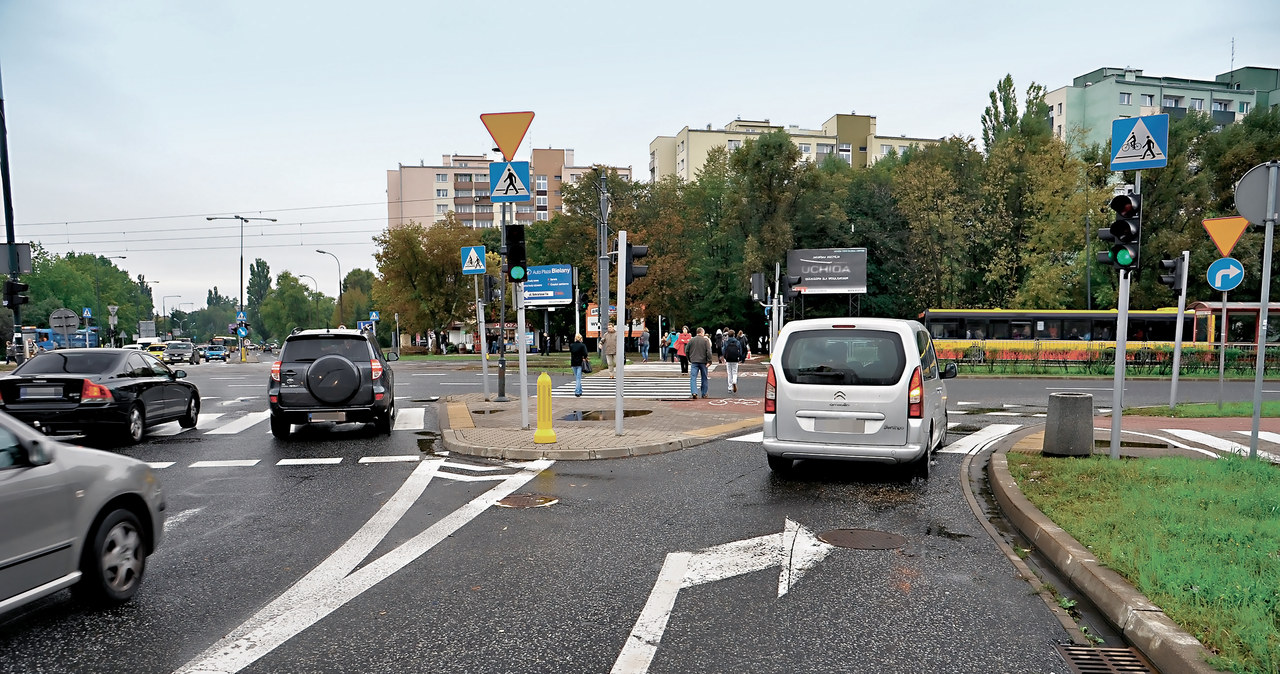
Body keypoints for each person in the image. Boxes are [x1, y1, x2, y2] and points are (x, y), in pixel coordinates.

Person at [686, 327, 713, 399]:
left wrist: (689, 359)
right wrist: (709, 361)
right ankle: (704, 393)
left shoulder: (691, 340)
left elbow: (687, 350)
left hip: (694, 361)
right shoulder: (705, 340)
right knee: (704, 377)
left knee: (693, 377)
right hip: (703, 362)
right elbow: (709, 351)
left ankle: (694, 392)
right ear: (701, 332)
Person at [722, 328, 745, 394]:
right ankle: (734, 381)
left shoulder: (726, 342)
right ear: (734, 335)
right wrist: (739, 357)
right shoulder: (737, 342)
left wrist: (725, 357)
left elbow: (723, 350)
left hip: (728, 359)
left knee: (729, 373)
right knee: (734, 372)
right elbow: (740, 351)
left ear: (728, 335)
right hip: (735, 359)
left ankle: (729, 388)